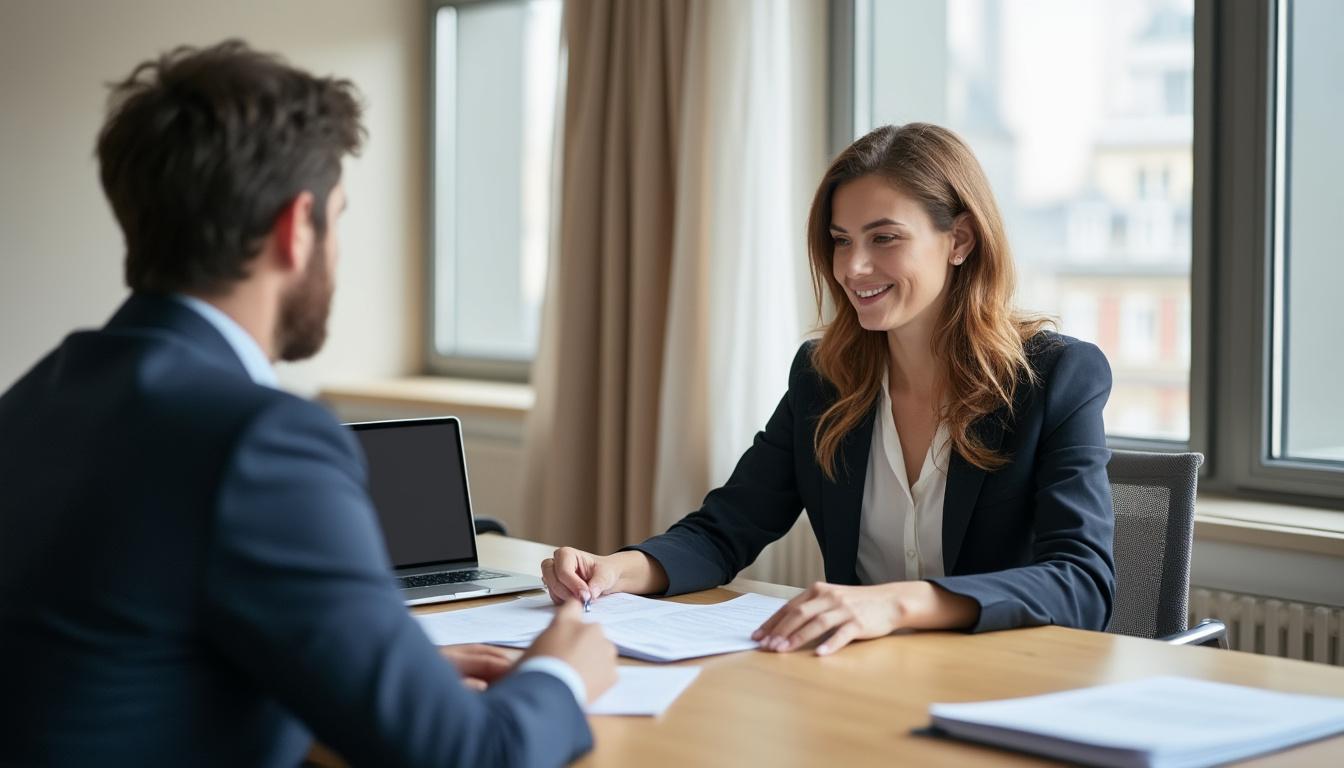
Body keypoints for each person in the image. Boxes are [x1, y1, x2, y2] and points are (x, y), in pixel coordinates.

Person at [0, 41, 615, 768]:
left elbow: (131, 656)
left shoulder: (38, 395)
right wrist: (560, 674)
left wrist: (371, 674)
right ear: (296, 228)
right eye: (338, 218)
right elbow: (470, 756)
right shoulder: (260, 440)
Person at [541, 123, 1116, 656]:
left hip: (999, 680)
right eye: (842, 240)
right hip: (853, 677)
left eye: (884, 238)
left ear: (959, 239)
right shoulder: (823, 378)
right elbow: (725, 530)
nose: (853, 267)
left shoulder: (1055, 377)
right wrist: (615, 570)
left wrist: (896, 603)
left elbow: (1082, 582)